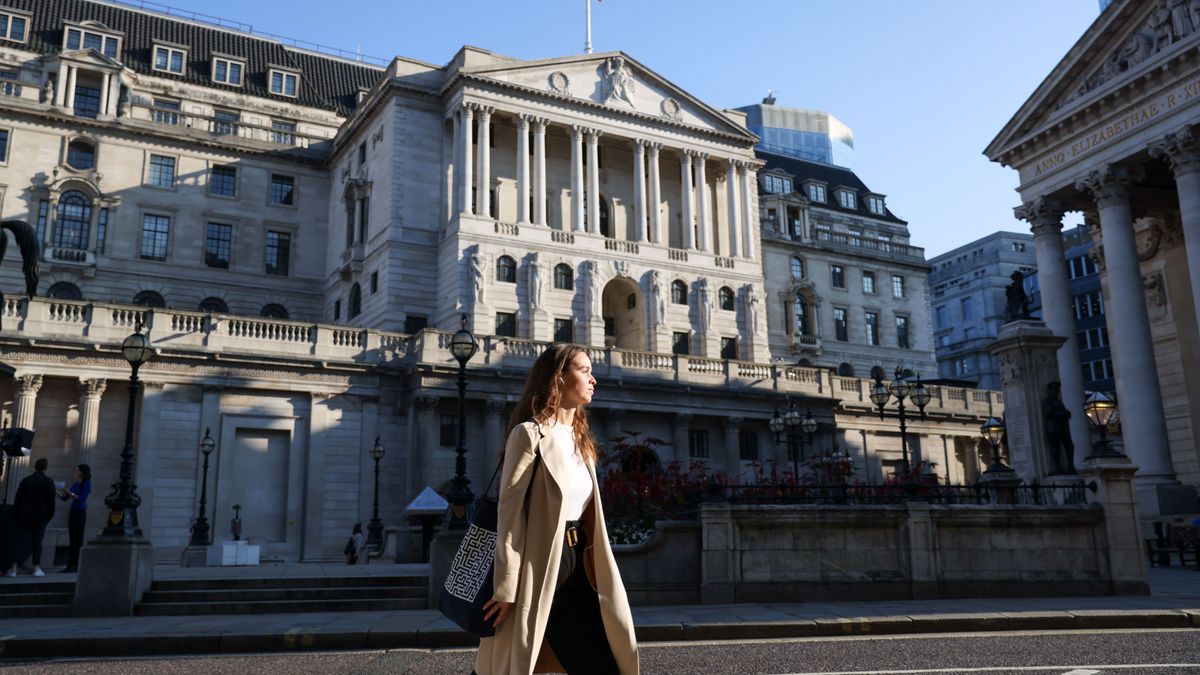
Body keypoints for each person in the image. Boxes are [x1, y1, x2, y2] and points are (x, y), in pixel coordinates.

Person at [476, 344, 639, 675]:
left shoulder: (581, 440)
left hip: (578, 562)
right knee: (509, 660)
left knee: (600, 662)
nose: (593, 380)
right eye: (584, 371)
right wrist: (506, 584)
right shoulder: (529, 435)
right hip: (540, 566)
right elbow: (509, 512)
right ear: (558, 378)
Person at [9, 458, 55, 578]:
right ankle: (36, 567)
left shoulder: (26, 480)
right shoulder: (49, 482)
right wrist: (47, 517)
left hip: (24, 516)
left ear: (35, 466)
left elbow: (18, 500)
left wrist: (17, 515)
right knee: (37, 542)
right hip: (40, 517)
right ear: (45, 467)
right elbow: (51, 503)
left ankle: (13, 568)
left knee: (18, 541)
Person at [56, 464, 91, 573]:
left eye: (77, 470)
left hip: (80, 512)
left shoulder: (86, 483)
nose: (75, 472)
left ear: (82, 472)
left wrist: (69, 492)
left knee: (78, 539)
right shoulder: (75, 484)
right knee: (72, 538)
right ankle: (70, 564)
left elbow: (81, 499)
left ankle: (76, 565)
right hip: (73, 512)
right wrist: (56, 490)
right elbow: (64, 498)